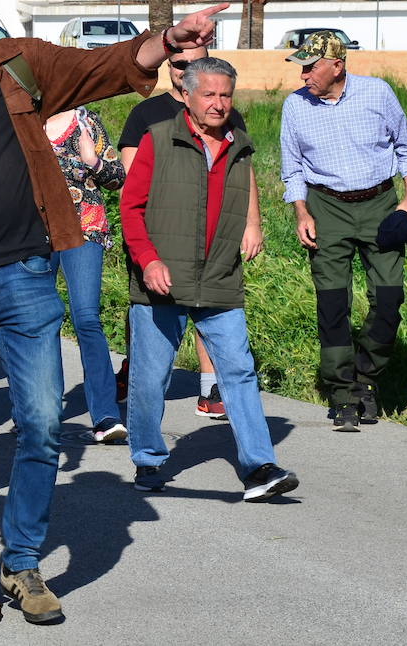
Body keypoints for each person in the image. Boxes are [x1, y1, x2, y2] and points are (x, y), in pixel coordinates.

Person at [0, 0, 224, 626]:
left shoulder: (20, 64)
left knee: (40, 426)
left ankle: (23, 560)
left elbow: (108, 66)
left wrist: (167, 39)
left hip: (28, 275)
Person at [120, 57, 298, 501]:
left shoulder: (239, 144)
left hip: (220, 275)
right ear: (186, 95)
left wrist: (253, 223)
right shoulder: (157, 140)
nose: (219, 104)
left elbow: (248, 188)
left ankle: (259, 467)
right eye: (209, 94)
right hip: (162, 279)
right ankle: (147, 458)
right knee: (150, 377)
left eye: (226, 95)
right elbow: (130, 209)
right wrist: (148, 261)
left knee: (238, 370)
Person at [279, 32, 407, 432]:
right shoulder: (295, 106)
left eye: (311, 66)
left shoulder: (377, 94)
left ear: (337, 66)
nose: (304, 74)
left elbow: (406, 148)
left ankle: (366, 377)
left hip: (380, 204)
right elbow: (292, 168)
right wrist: (301, 212)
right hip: (326, 208)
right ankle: (343, 394)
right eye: (302, 67)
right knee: (332, 303)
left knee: (389, 298)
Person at [118, 44, 255, 420]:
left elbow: (242, 169)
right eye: (180, 63)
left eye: (195, 62)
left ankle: (210, 391)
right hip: (160, 236)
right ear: (171, 69)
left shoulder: (227, 116)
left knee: (210, 315)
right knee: (152, 342)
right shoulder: (147, 115)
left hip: (211, 247)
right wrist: (148, 251)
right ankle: (138, 385)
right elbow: (133, 189)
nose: (186, 69)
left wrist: (251, 221)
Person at [44, 105, 126, 442]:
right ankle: (39, 413)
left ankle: (106, 414)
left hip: (85, 226)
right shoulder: (22, 114)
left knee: (87, 318)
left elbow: (118, 176)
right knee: (38, 321)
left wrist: (93, 160)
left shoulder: (85, 119)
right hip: (33, 228)